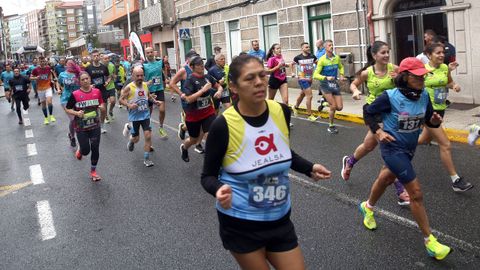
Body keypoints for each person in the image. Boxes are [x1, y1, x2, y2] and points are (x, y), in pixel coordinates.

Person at [201, 54, 332, 269]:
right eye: (249, 78)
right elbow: (207, 176)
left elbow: (280, 151)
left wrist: (308, 168)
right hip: (240, 222)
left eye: (262, 75)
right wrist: (218, 189)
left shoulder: (281, 111)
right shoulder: (222, 126)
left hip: (280, 218)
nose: (259, 82)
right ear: (233, 87)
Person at [360, 57, 451, 260]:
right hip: (392, 148)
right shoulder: (389, 97)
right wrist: (378, 132)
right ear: (405, 77)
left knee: (385, 179)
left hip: (409, 149)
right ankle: (430, 241)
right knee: (416, 193)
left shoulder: (424, 96)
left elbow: (428, 119)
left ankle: (367, 207)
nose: (422, 79)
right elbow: (368, 112)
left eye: (423, 76)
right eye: (417, 76)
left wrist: (434, 121)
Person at [341, 41, 410, 205]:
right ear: (374, 55)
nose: (386, 55)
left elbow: (407, 82)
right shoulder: (367, 73)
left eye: (388, 52)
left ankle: (349, 161)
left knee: (369, 145)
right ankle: (400, 188)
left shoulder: (395, 68)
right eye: (383, 53)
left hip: (392, 112)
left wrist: (400, 78)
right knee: (388, 147)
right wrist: (356, 91)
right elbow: (353, 83)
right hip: (374, 111)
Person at [417, 42, 473, 192]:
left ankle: (400, 144)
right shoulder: (422, 71)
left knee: (424, 139)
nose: (442, 55)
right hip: (428, 111)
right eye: (438, 53)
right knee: (445, 144)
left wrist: (454, 86)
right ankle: (456, 181)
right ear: (429, 55)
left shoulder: (444, 68)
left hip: (441, 109)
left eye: (442, 52)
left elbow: (448, 82)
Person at [179, 56, 222, 162]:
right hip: (194, 116)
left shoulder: (208, 77)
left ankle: (215, 158)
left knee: (210, 134)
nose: (202, 66)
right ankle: (184, 148)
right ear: (192, 67)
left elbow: (219, 86)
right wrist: (202, 91)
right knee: (193, 140)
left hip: (208, 112)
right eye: (198, 64)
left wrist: (219, 91)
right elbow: (188, 99)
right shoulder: (190, 80)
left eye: (202, 63)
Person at [65, 72, 105, 181]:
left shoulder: (97, 92)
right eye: (83, 79)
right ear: (79, 82)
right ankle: (81, 150)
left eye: (87, 78)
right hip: (81, 127)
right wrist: (77, 113)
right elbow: (68, 108)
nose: (85, 81)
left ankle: (93, 171)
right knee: (86, 150)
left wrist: (101, 107)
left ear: (90, 79)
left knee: (95, 148)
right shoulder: (75, 94)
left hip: (95, 125)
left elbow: (101, 103)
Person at [120, 66, 159, 167]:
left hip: (145, 115)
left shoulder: (145, 85)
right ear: (133, 76)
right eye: (137, 76)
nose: (140, 77)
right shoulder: (129, 87)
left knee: (148, 136)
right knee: (136, 139)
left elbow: (148, 95)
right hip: (134, 117)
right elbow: (120, 100)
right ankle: (131, 138)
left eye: (141, 75)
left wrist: (155, 101)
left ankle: (146, 158)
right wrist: (129, 105)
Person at [168, 51, 204, 153]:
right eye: (194, 59)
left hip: (200, 100)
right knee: (195, 124)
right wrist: (180, 94)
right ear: (188, 60)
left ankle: (198, 144)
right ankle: (184, 128)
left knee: (202, 123)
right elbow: (172, 83)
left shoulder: (199, 68)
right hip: (188, 101)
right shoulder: (184, 70)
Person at [313, 39, 345, 134]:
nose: (332, 47)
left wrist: (342, 75)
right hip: (325, 85)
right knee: (333, 106)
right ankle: (331, 126)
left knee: (339, 107)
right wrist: (326, 77)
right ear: (325, 47)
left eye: (332, 45)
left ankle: (324, 103)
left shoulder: (337, 58)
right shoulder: (322, 60)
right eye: (329, 45)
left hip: (334, 84)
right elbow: (315, 75)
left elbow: (341, 67)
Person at [144, 47, 168, 139]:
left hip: (159, 88)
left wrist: (165, 78)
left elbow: (164, 69)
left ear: (153, 53)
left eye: (151, 52)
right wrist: (145, 83)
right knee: (148, 112)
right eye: (148, 53)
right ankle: (147, 126)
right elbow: (140, 77)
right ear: (146, 54)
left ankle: (161, 127)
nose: (150, 54)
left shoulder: (160, 61)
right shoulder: (144, 65)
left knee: (162, 110)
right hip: (149, 91)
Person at [86, 50, 111, 133]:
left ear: (100, 57)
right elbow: (84, 79)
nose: (96, 57)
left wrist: (107, 82)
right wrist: (89, 85)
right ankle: (93, 125)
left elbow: (109, 76)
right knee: (94, 110)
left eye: (97, 55)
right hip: (92, 91)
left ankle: (101, 125)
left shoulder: (103, 67)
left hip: (102, 90)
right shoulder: (88, 68)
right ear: (92, 57)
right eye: (94, 56)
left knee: (103, 109)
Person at [58, 59, 81, 147]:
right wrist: (59, 89)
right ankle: (72, 137)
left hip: (77, 98)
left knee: (78, 119)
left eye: (72, 63)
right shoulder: (62, 74)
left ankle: (71, 132)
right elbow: (58, 82)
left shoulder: (78, 74)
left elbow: (83, 83)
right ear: (66, 65)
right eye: (68, 63)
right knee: (73, 118)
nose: (70, 65)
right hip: (66, 99)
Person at [292, 42, 318, 121]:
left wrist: (317, 71)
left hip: (309, 79)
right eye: (306, 47)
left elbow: (318, 63)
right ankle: (309, 115)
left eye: (309, 47)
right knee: (309, 96)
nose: (308, 48)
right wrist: (292, 73)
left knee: (302, 94)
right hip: (302, 79)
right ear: (302, 48)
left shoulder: (312, 56)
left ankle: (295, 107)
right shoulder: (298, 57)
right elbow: (291, 64)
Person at [30, 56, 56, 125]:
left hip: (48, 87)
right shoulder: (35, 70)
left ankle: (51, 115)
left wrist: (52, 80)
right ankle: (46, 118)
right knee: (43, 104)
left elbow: (51, 74)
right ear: (39, 62)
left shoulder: (48, 68)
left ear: (45, 61)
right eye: (41, 61)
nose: (42, 62)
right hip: (40, 89)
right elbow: (30, 77)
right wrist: (36, 77)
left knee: (49, 101)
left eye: (43, 61)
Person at [102, 54, 117, 123]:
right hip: (103, 88)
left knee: (113, 101)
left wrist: (114, 76)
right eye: (105, 59)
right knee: (104, 104)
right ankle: (105, 117)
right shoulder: (100, 67)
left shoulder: (112, 66)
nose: (107, 60)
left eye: (108, 58)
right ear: (102, 60)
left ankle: (110, 110)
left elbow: (114, 74)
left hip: (111, 86)